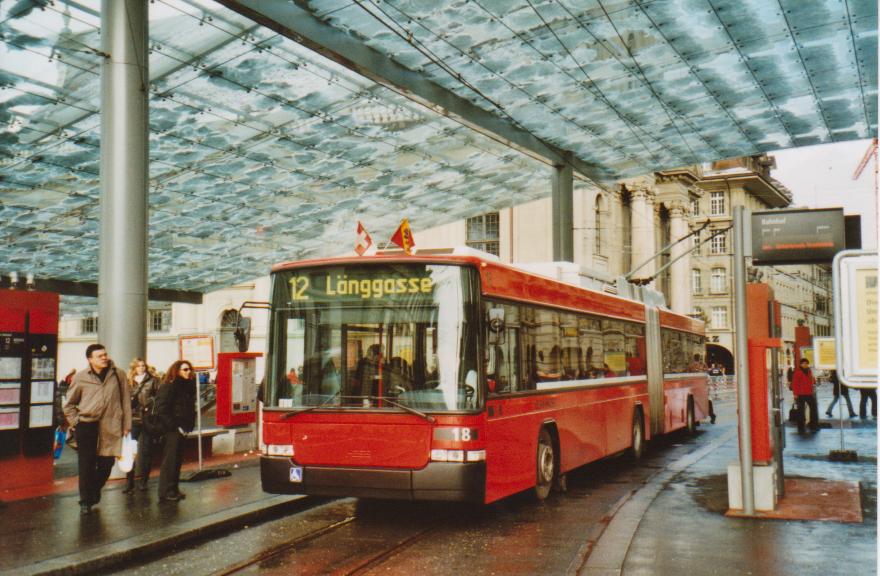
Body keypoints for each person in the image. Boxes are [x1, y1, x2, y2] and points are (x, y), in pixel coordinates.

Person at [63, 344, 131, 515]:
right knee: (86, 464)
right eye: (99, 356)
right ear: (90, 359)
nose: (104, 358)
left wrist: (127, 424)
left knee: (107, 462)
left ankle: (93, 491)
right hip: (86, 425)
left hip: (111, 425)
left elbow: (126, 401)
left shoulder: (118, 374)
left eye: (105, 354)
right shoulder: (81, 377)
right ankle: (85, 501)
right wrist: (75, 422)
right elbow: (69, 404)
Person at [155, 360, 197, 502]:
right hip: (172, 429)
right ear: (176, 371)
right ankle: (166, 491)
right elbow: (162, 409)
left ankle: (173, 489)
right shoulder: (169, 386)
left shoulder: (187, 387)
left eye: (189, 369)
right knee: (171, 460)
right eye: (185, 370)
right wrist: (175, 426)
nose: (188, 372)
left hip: (182, 428)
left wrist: (188, 426)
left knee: (177, 459)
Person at [124, 358, 159, 493]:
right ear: (133, 368)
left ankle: (144, 481)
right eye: (138, 366)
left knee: (146, 450)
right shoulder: (129, 382)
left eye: (143, 365)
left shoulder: (153, 380)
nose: (141, 368)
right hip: (133, 419)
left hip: (148, 419)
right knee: (130, 451)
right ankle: (130, 482)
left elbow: (158, 397)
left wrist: (150, 403)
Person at [791, 357, 819, 434]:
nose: (805, 365)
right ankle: (801, 427)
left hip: (809, 393)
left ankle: (814, 425)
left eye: (806, 363)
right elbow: (794, 384)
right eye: (803, 363)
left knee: (814, 408)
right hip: (800, 394)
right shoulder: (798, 372)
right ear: (800, 364)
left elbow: (811, 379)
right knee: (801, 411)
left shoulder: (809, 371)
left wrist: (814, 381)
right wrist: (795, 394)